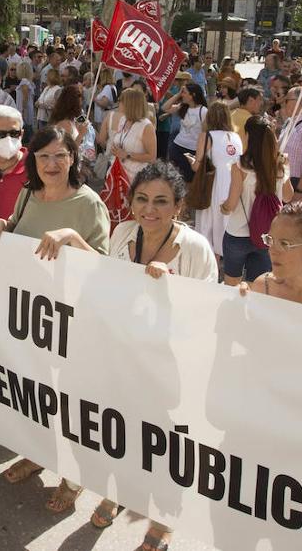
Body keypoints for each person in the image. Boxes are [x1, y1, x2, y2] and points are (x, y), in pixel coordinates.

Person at [88, 160, 216, 551]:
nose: (150, 209)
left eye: (161, 201)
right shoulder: (124, 231)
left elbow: (209, 311)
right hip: (125, 359)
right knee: (121, 433)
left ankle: (163, 523)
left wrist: (171, 288)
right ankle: (116, 490)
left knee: (165, 447)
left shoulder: (195, 248)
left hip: (170, 370)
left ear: (178, 205)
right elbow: (106, 285)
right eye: (142, 199)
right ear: (129, 201)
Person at [0, 126, 111, 514]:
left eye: (60, 155)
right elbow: (18, 228)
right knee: (35, 397)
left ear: (74, 158)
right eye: (44, 157)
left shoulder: (89, 205)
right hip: (28, 320)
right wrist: (2, 224)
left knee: (71, 404)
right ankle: (38, 453)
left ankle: (73, 480)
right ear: (33, 161)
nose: (52, 164)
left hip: (70, 323)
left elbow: (107, 273)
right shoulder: (26, 194)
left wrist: (73, 237)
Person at [220, 118, 289, 285]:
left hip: (238, 233)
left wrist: (223, 207)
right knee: (257, 287)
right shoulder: (279, 164)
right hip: (267, 235)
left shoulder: (240, 165)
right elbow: (288, 197)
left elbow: (232, 203)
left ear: (249, 136)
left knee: (231, 285)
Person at [194, 101, 241, 256]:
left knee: (208, 225)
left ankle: (210, 263)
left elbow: (197, 166)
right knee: (225, 224)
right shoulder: (236, 137)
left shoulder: (206, 136)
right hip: (233, 183)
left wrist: (190, 160)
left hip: (213, 183)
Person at [98, 86, 157, 182]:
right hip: (116, 174)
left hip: (134, 179)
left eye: (121, 100)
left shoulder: (146, 126)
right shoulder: (123, 120)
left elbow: (152, 157)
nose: (118, 103)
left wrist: (127, 155)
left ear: (130, 104)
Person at [163, 82, 206, 181]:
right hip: (177, 147)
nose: (182, 95)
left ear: (193, 95)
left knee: (189, 180)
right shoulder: (183, 107)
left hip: (193, 151)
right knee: (174, 179)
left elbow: (206, 133)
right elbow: (165, 108)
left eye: (184, 92)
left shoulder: (203, 111)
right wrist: (177, 94)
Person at [35, 67, 63, 132]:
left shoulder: (57, 89)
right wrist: (37, 103)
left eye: (46, 75)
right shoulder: (46, 88)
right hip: (41, 117)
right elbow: (39, 100)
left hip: (49, 119)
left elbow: (58, 106)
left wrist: (44, 106)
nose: (46, 77)